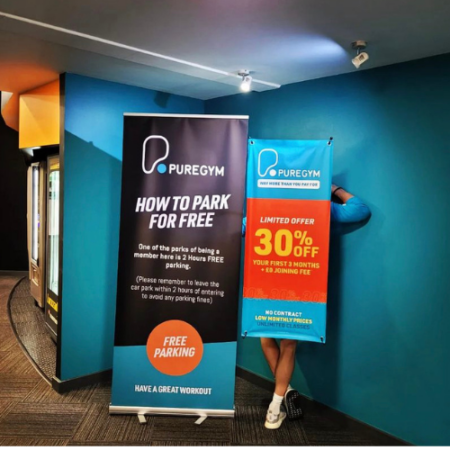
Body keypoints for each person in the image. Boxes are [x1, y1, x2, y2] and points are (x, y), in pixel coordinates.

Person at [242, 184, 371, 429]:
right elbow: (360, 209)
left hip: (267, 281)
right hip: (299, 284)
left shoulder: (263, 208)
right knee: (287, 344)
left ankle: (280, 398)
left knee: (266, 337)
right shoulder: (319, 207)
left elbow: (236, 229)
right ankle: (277, 404)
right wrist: (335, 189)